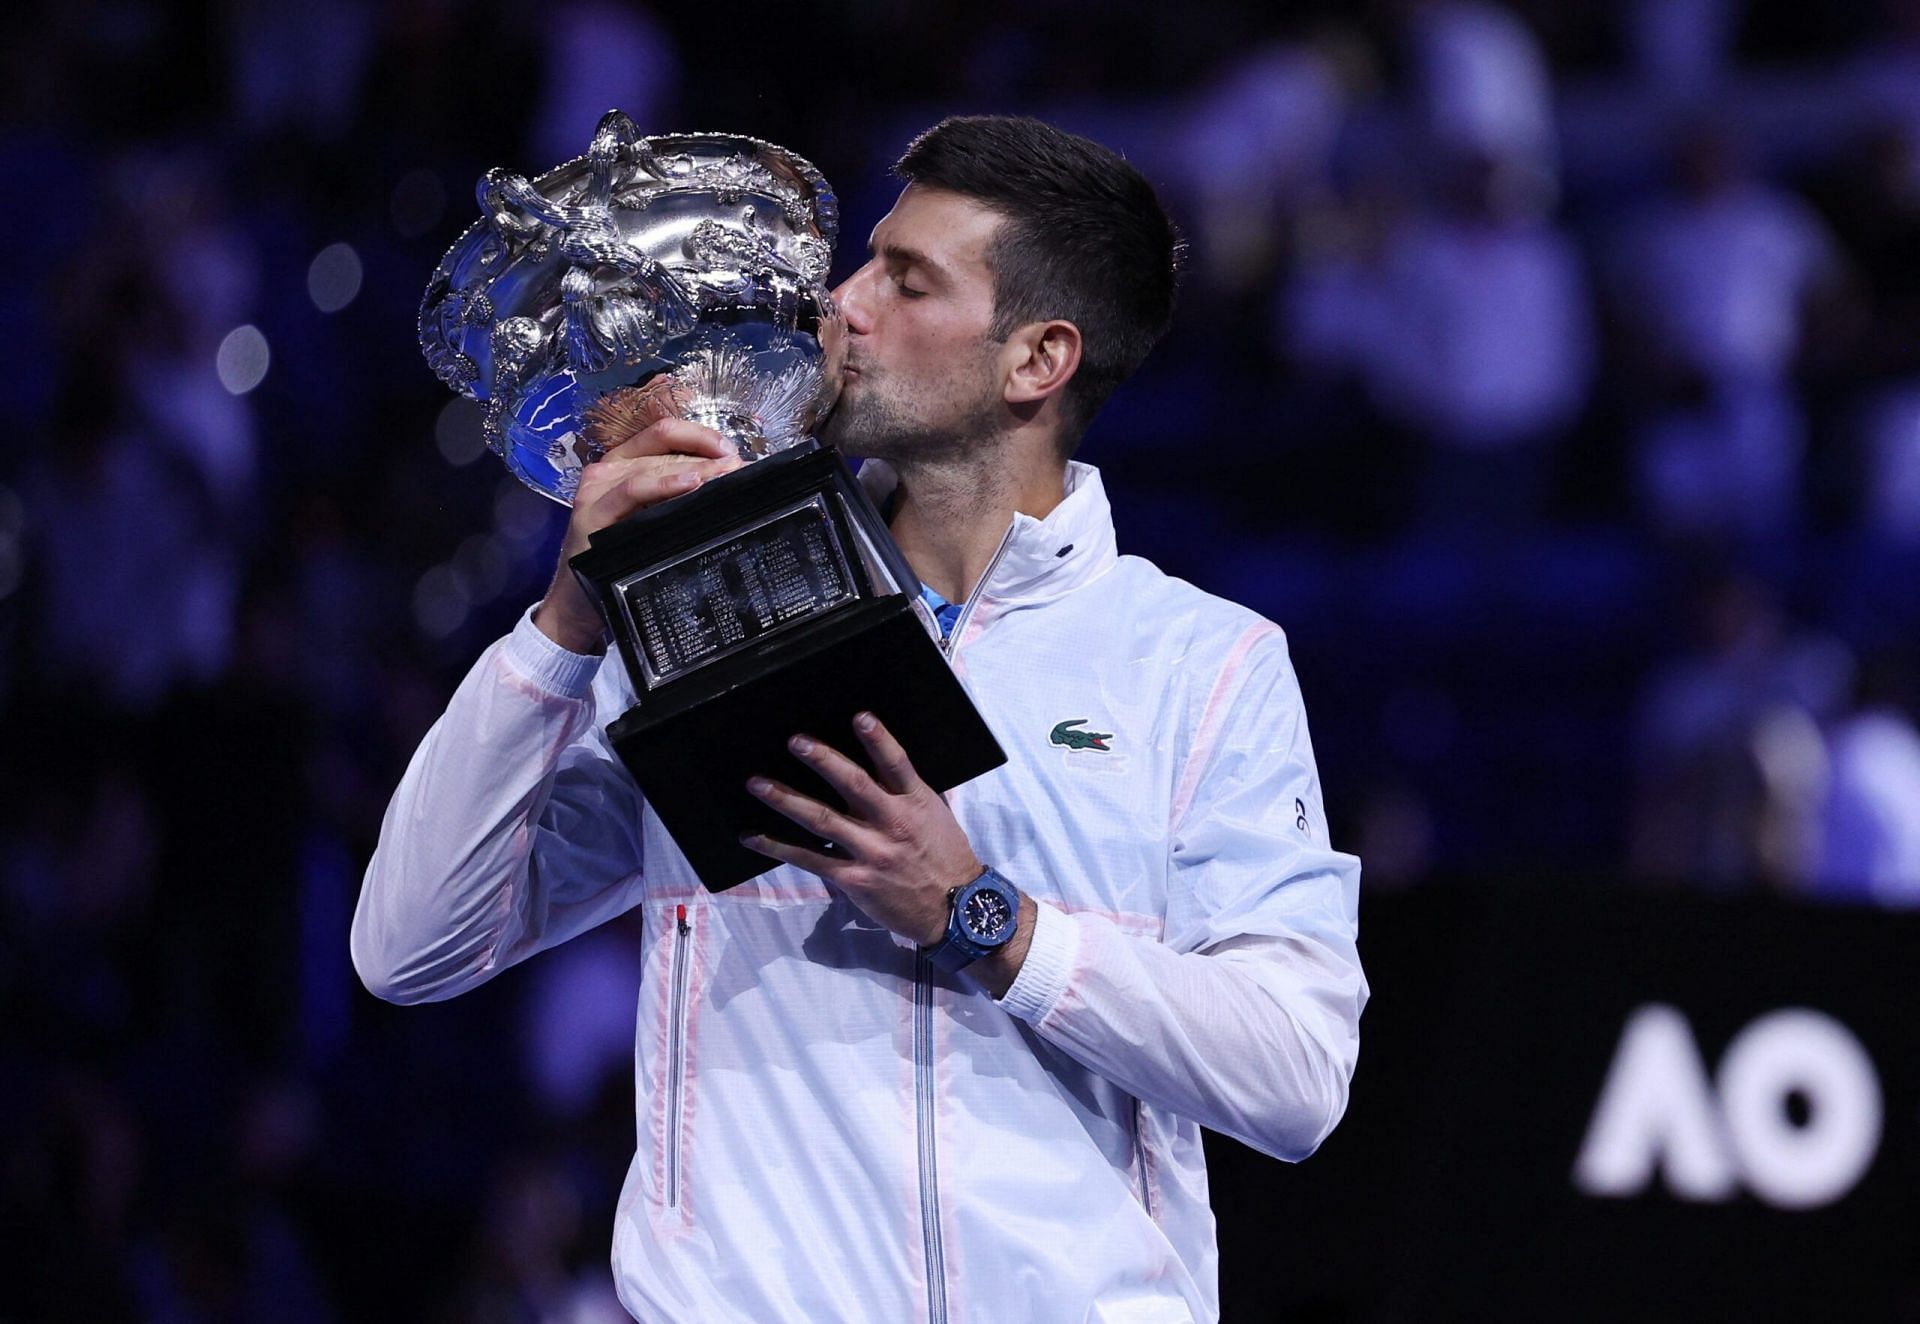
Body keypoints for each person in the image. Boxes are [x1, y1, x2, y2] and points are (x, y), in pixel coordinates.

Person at [353, 115, 1366, 1323]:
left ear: (1037, 359)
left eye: (906, 278)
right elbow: (408, 946)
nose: (842, 302)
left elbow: (1296, 1075)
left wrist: (984, 918)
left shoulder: (1202, 665)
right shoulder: (703, 615)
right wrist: (566, 624)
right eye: (864, 260)